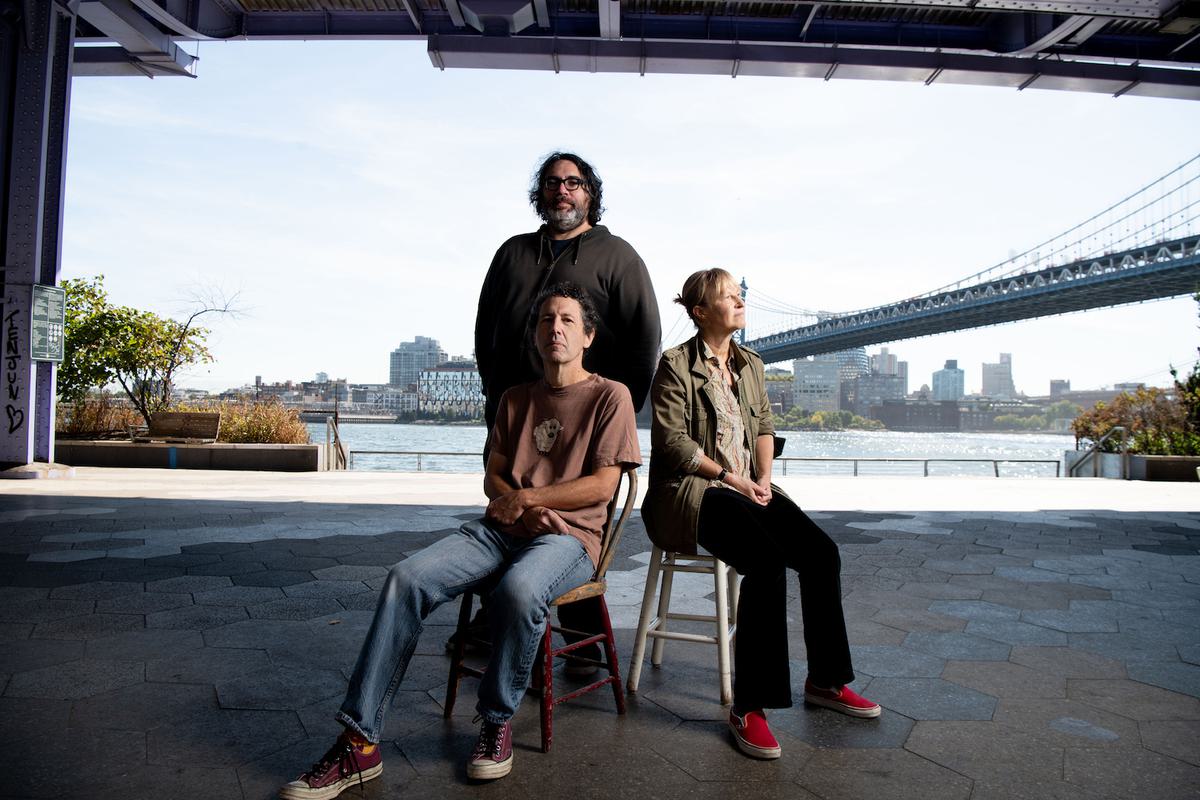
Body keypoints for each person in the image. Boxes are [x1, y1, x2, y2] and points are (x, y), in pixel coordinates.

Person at [279, 283, 640, 798]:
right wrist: (515, 504)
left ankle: (496, 722)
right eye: (544, 320)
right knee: (406, 578)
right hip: (500, 529)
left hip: (569, 539)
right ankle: (360, 742)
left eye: (565, 320)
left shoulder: (611, 396)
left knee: (518, 591)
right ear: (535, 335)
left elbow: (604, 485)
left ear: (588, 334)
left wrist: (532, 503)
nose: (554, 328)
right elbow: (494, 478)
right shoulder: (515, 399)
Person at [641, 268, 880, 761]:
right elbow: (672, 443)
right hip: (692, 492)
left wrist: (764, 479)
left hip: (749, 488)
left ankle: (826, 681)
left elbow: (765, 425)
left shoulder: (751, 363)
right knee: (767, 564)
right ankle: (748, 707)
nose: (739, 299)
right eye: (727, 295)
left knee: (821, 553)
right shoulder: (675, 364)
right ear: (700, 312)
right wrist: (733, 479)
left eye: (738, 293)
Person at [469, 151, 661, 666]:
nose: (562, 191)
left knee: (569, 522)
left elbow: (646, 342)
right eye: (552, 183)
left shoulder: (619, 256)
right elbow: (486, 331)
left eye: (574, 183)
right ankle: (497, 623)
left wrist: (613, 416)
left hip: (586, 422)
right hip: (515, 413)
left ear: (590, 193)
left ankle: (577, 642)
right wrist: (496, 398)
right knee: (510, 512)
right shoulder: (511, 253)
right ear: (541, 192)